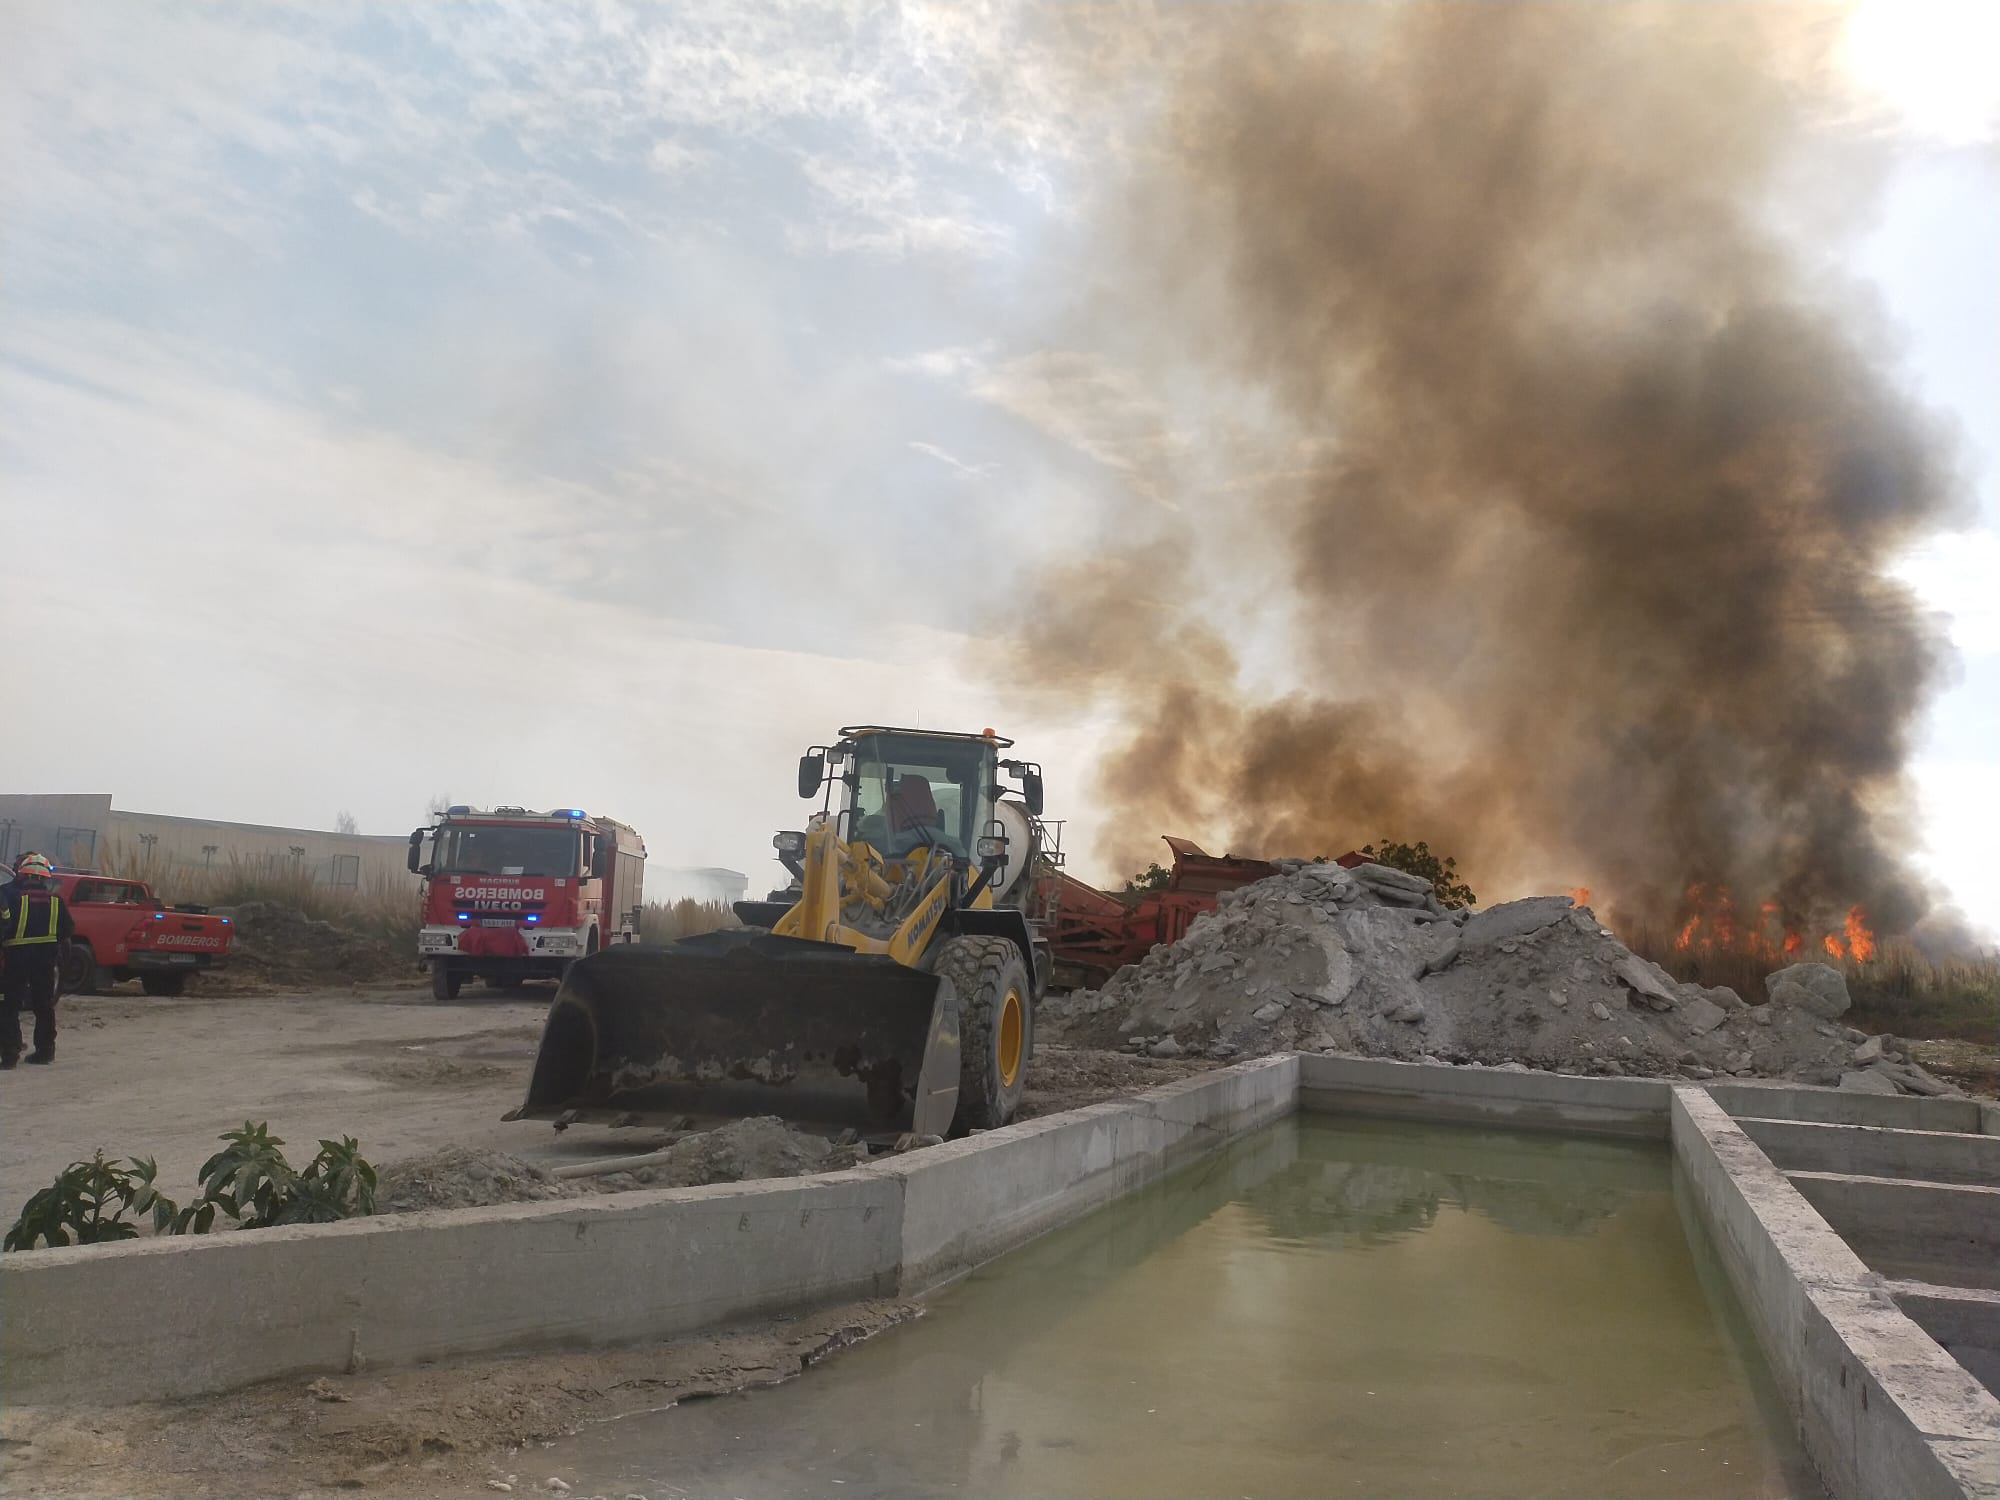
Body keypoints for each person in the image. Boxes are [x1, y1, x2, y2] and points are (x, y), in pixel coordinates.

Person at [1, 852, 73, 1068]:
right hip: (45, 960)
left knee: (9, 1005)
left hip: (16, 958)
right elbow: (68, 929)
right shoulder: (56, 901)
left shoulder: (10, 897)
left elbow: (3, 925)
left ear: (22, 874)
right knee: (43, 1005)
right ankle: (45, 1051)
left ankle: (10, 1054)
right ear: (44, 878)